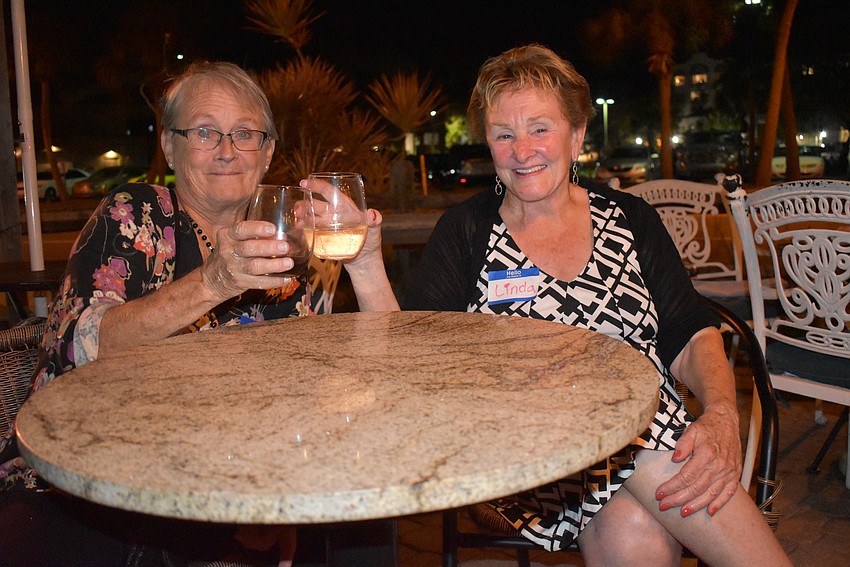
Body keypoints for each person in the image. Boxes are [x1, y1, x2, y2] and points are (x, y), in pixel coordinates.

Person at [404, 45, 791, 567]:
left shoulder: (631, 218)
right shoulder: (465, 232)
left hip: (649, 441)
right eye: (503, 134)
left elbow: (689, 330)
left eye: (539, 128)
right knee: (646, 443)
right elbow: (418, 353)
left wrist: (722, 412)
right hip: (526, 456)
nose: (522, 150)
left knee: (635, 527)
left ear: (577, 135)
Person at [1, 61, 397, 566]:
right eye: (206, 132)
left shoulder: (294, 242)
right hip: (88, 479)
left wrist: (364, 263)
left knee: (365, 526)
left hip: (235, 484)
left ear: (268, 150)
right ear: (170, 145)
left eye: (245, 134)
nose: (227, 150)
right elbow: (86, 345)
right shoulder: (135, 214)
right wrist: (213, 281)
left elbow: (380, 372)